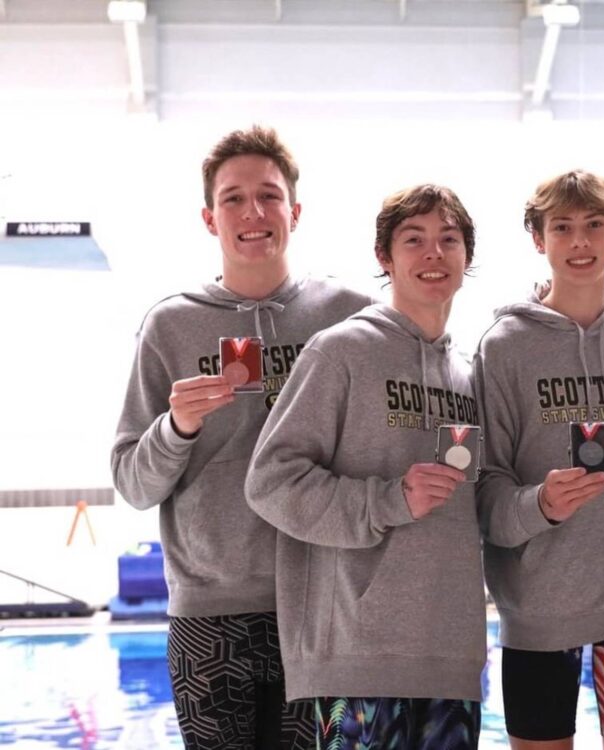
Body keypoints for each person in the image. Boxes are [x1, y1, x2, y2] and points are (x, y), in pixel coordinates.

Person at [111, 125, 372, 749]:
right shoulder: (171, 326)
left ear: (295, 211)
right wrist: (177, 428)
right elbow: (131, 483)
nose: (252, 212)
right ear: (209, 218)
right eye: (233, 198)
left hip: (323, 608)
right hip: (210, 614)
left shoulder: (350, 317)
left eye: (268, 195)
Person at [245, 184, 486, 749]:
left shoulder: (469, 374)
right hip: (357, 657)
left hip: (451, 657)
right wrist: (387, 500)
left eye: (448, 240)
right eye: (414, 240)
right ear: (385, 257)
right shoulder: (341, 352)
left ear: (466, 258)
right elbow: (270, 481)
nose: (433, 254)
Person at [475, 170, 604, 750]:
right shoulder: (505, 344)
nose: (580, 242)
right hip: (536, 608)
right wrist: (537, 505)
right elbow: (485, 485)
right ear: (539, 240)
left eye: (594, 225)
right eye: (562, 228)